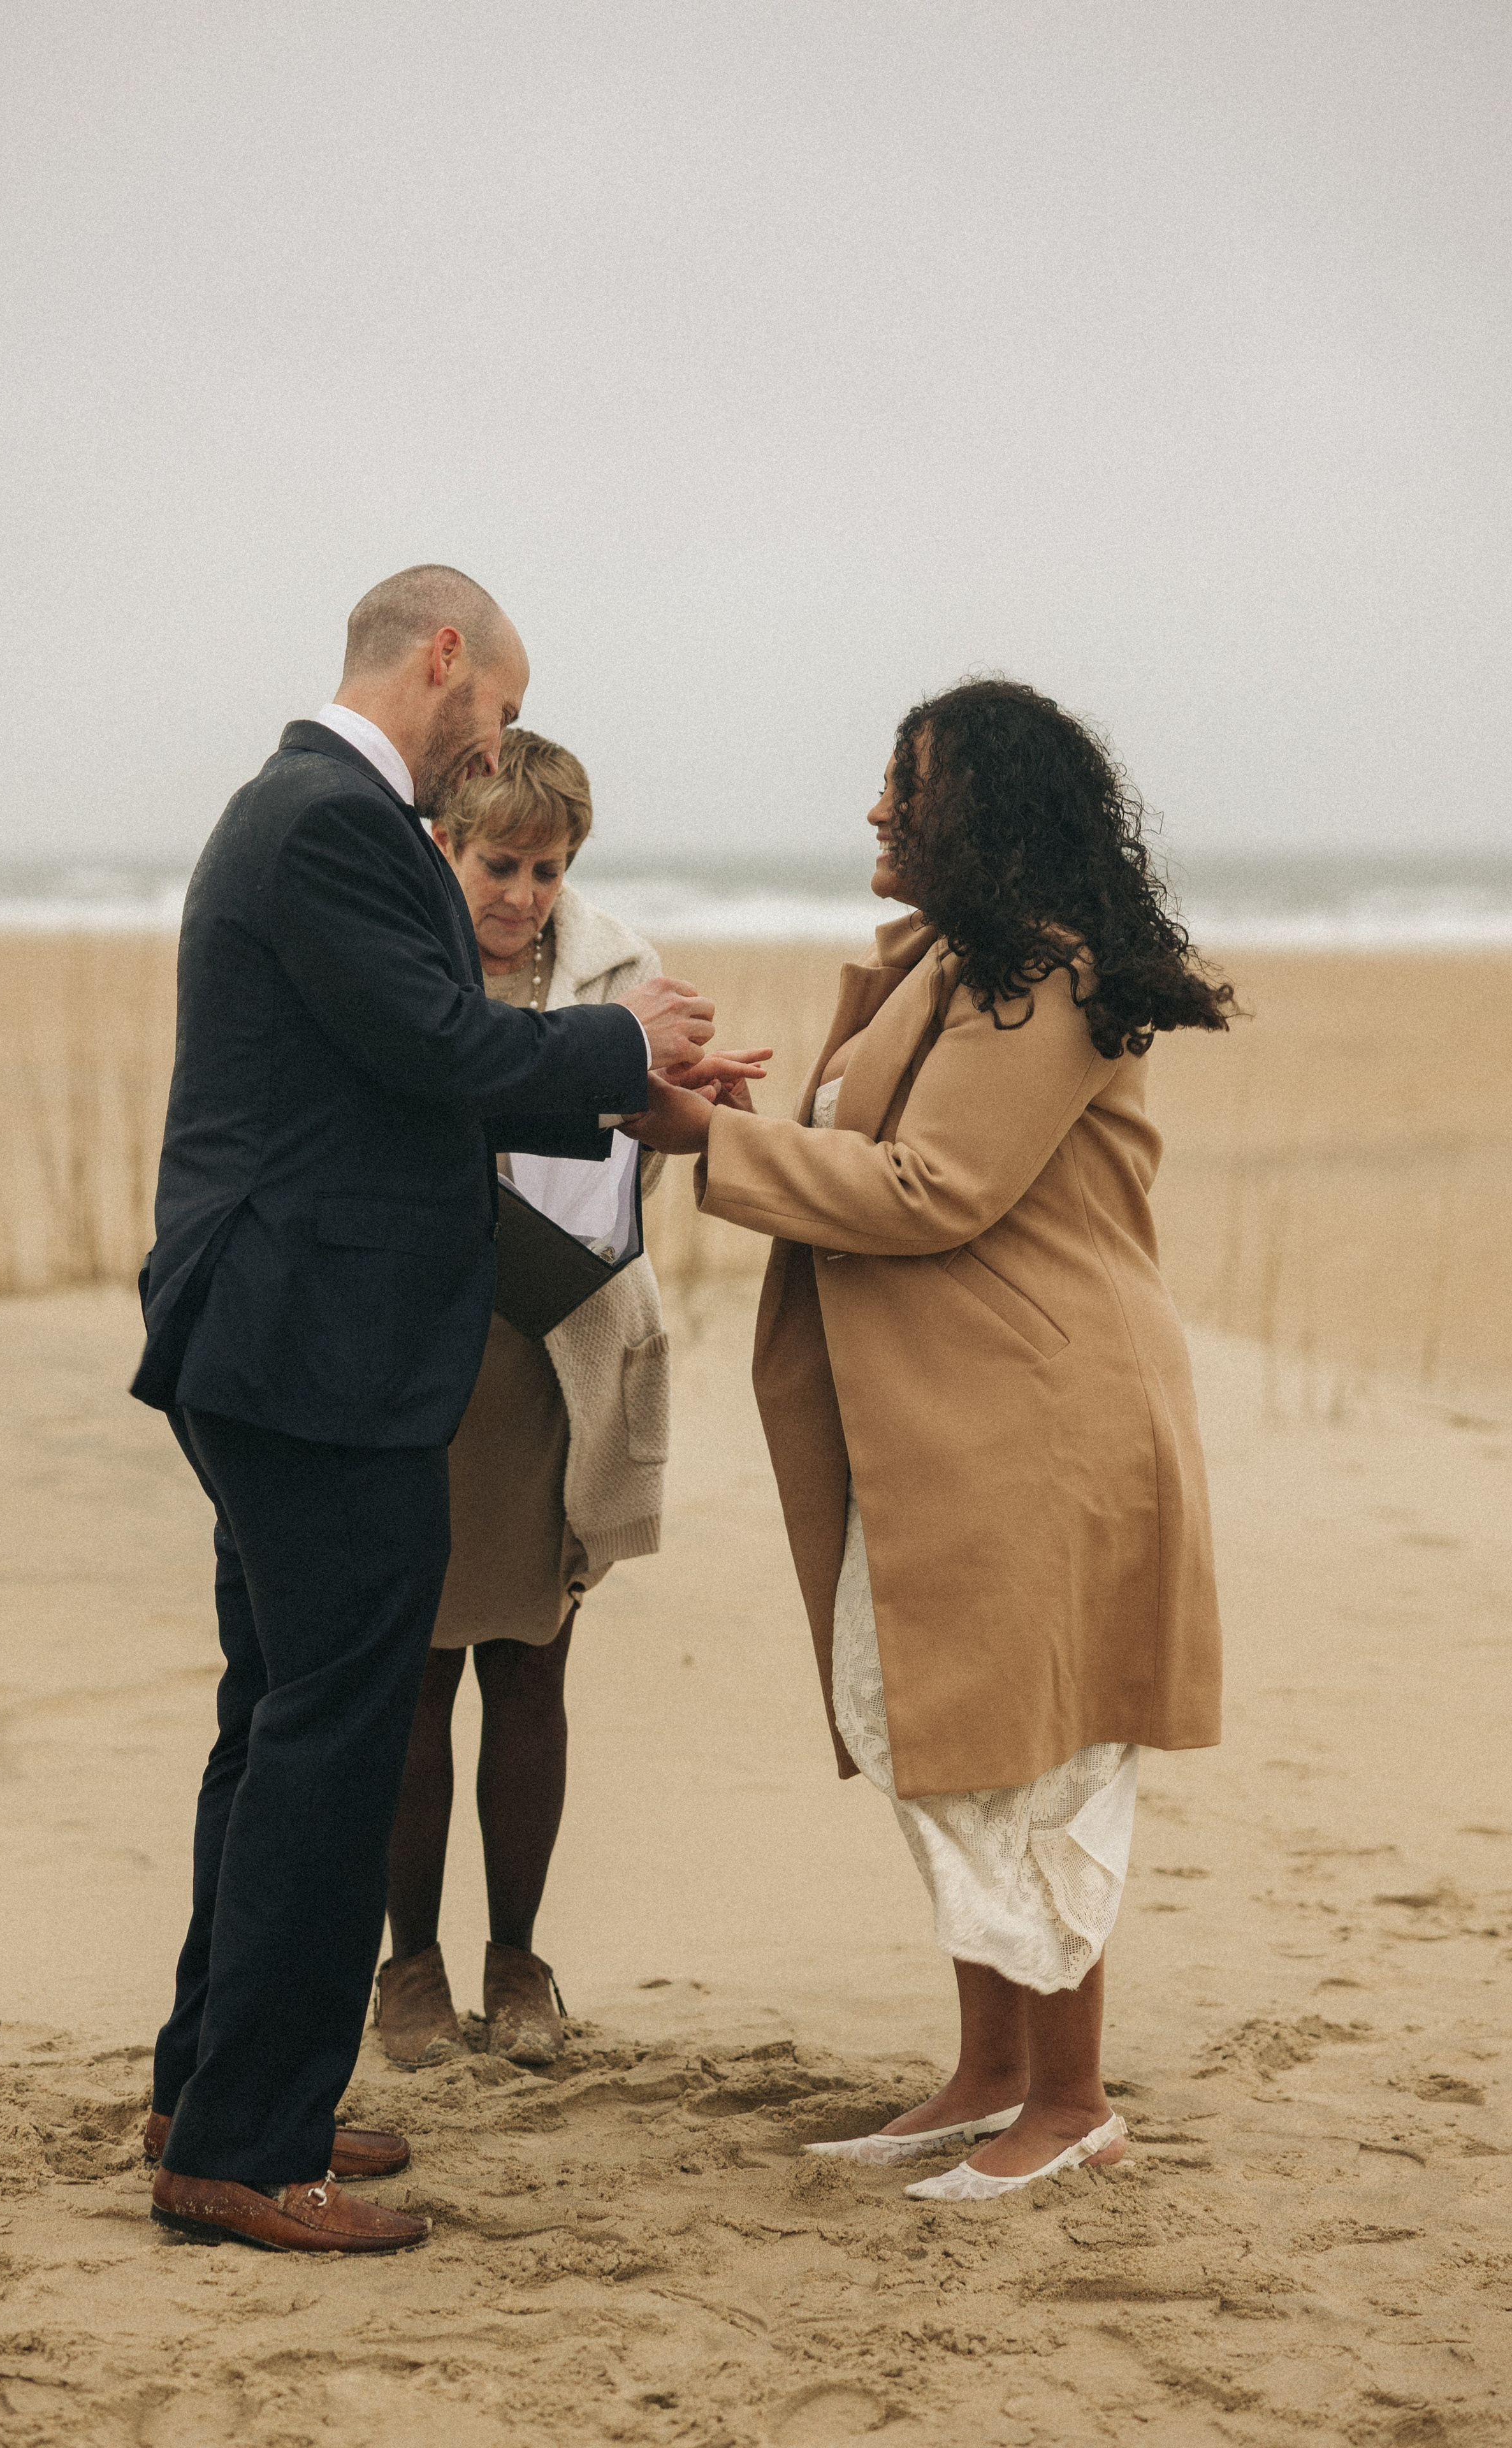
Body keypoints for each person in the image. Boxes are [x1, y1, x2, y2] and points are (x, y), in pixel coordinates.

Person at [131, 564, 723, 2255]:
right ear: (444, 660)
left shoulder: (319, 811)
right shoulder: (330, 817)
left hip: (283, 1338)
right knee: (323, 1740)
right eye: (502, 697)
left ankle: (216, 2086)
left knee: (276, 1724)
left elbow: (409, 1067)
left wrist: (625, 1079)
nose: (505, 732)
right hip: (310, 1349)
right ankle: (245, 2148)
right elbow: (442, 1048)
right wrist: (624, 1043)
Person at [624, 678, 1231, 2201]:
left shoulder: (1049, 970)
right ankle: (987, 2071)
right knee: (927, 1727)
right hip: (941, 1424)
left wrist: (709, 1145)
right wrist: (726, 1110)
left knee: (1037, 1757)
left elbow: (933, 1188)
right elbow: (872, 1149)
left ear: (986, 812)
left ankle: (1070, 2096)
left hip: (1042, 1417)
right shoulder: (946, 964)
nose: (879, 807)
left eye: (910, 783)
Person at [377, 731, 723, 2068]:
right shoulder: (398, 960)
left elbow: (649, 1144)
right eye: (497, 863)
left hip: (564, 1350)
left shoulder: (621, 967)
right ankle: (408, 1971)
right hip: (420, 1351)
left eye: (546, 866)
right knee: (413, 1670)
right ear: (442, 848)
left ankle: (516, 1965)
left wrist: (682, 1098)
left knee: (532, 1660)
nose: (522, 892)